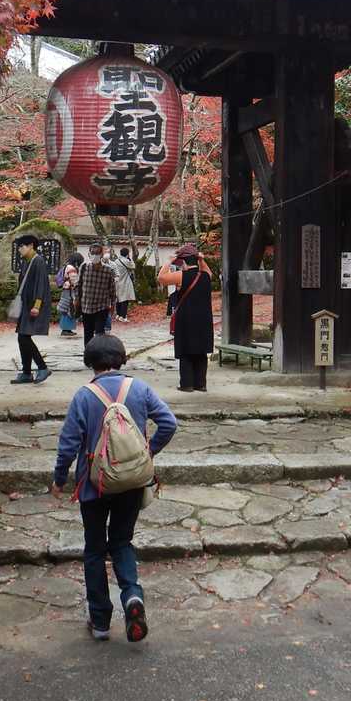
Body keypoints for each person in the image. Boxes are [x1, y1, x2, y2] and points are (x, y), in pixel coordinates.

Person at [52, 334, 177, 642]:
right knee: (121, 542)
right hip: (132, 483)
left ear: (90, 362)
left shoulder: (84, 396)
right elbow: (168, 423)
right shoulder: (140, 389)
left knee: (95, 549)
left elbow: (68, 445)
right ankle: (132, 595)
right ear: (121, 358)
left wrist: (59, 478)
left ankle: (100, 622)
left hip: (94, 486)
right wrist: (148, 452)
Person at [157, 242, 213, 392]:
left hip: (186, 318)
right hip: (204, 318)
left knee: (186, 349)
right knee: (201, 350)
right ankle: (201, 384)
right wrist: (201, 259)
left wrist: (169, 261)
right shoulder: (206, 276)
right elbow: (208, 271)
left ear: (183, 262)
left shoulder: (181, 276)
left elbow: (161, 278)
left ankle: (187, 384)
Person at [10, 234, 52, 384]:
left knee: (23, 337)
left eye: (22, 246)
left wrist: (37, 306)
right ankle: (26, 372)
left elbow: (41, 284)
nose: (20, 249)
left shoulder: (38, 261)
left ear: (31, 246)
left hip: (34, 306)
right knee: (22, 337)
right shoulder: (27, 262)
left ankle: (42, 367)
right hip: (26, 305)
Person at [76, 244, 116, 352]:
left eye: (97, 253)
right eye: (92, 253)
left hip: (101, 306)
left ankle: (99, 354)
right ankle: (88, 353)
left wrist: (113, 304)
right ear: (89, 254)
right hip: (86, 306)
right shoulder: (84, 267)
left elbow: (112, 289)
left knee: (99, 332)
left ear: (101, 254)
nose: (95, 255)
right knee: (87, 332)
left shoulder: (108, 270)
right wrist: (76, 299)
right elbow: (78, 284)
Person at [56, 252, 84, 337]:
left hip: (66, 291)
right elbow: (74, 282)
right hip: (70, 292)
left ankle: (66, 329)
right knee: (69, 309)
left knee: (65, 309)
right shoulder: (72, 268)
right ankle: (66, 329)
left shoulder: (66, 266)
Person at [111, 246, 137, 322]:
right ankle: (123, 316)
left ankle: (118, 315)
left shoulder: (116, 261)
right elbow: (133, 266)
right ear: (127, 254)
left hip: (117, 282)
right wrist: (130, 259)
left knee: (118, 299)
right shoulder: (126, 261)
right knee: (125, 300)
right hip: (125, 282)